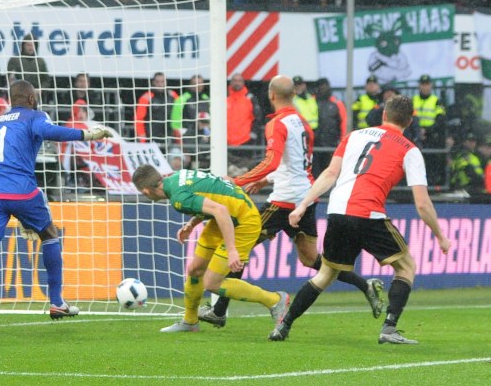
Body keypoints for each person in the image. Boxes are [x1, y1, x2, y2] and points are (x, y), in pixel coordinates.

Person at [199, 75, 382, 328]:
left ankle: (219, 311)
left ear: (271, 95)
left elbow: (272, 161)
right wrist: (265, 181)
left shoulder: (278, 124)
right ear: (293, 95)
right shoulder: (302, 122)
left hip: (283, 202)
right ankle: (365, 285)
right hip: (305, 199)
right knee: (311, 259)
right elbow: (295, 164)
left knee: (240, 246)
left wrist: (238, 181)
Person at [270, 95, 451, 344]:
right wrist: (440, 235)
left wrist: (302, 205)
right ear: (410, 121)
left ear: (384, 114)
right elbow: (422, 203)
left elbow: (330, 173)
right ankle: (389, 328)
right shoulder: (410, 150)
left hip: (337, 211)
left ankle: (284, 325)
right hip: (368, 213)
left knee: (324, 275)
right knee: (406, 267)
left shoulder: (355, 135)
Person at [0, 80, 112, 331]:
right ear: (32, 99)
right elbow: (52, 132)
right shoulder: (34, 116)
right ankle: (57, 302)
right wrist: (87, 134)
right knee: (49, 234)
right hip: (21, 191)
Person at [132, 164, 290, 334]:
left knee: (212, 283)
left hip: (244, 222)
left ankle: (275, 300)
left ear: (146, 191)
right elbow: (223, 182)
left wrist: (231, 250)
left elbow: (220, 210)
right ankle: (190, 322)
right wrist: (192, 224)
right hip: (224, 217)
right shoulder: (178, 176)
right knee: (195, 270)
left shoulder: (178, 198)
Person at [134, 72, 178, 150]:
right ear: (153, 82)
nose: (160, 84)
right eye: (157, 82)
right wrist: (142, 138)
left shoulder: (173, 95)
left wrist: (178, 137)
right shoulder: (146, 98)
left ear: (166, 82)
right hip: (151, 137)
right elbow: (138, 119)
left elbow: (179, 116)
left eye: (162, 81)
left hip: (170, 136)